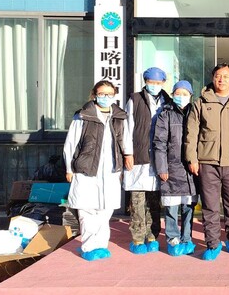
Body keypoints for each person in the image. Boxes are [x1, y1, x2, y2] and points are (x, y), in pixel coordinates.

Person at [184, 63, 229, 260]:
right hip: (208, 162)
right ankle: (213, 244)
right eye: (217, 76)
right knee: (210, 206)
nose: (221, 79)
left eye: (225, 76)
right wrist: (192, 158)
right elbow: (191, 133)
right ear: (213, 78)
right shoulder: (201, 102)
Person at [63, 80, 131, 261]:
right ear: (94, 95)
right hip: (86, 168)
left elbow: (125, 139)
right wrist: (69, 168)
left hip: (110, 169)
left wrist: (127, 157)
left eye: (109, 94)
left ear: (114, 95)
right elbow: (70, 144)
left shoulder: (119, 116)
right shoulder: (83, 116)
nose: (105, 97)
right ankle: (88, 246)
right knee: (87, 209)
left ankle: (101, 245)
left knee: (105, 209)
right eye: (101, 94)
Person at [123, 67, 171, 255]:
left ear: (163, 83)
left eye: (158, 82)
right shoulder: (135, 100)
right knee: (137, 201)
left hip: (159, 158)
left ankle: (152, 236)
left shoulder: (168, 101)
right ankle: (137, 239)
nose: (154, 85)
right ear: (145, 81)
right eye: (151, 82)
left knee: (154, 202)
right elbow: (128, 127)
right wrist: (128, 153)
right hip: (139, 156)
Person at [154, 80, 199, 257]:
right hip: (171, 168)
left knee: (188, 207)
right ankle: (173, 239)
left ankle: (187, 238)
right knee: (171, 208)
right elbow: (159, 143)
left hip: (191, 168)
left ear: (191, 95)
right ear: (172, 95)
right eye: (177, 94)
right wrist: (162, 167)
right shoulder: (165, 114)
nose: (181, 97)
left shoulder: (196, 112)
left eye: (185, 94)